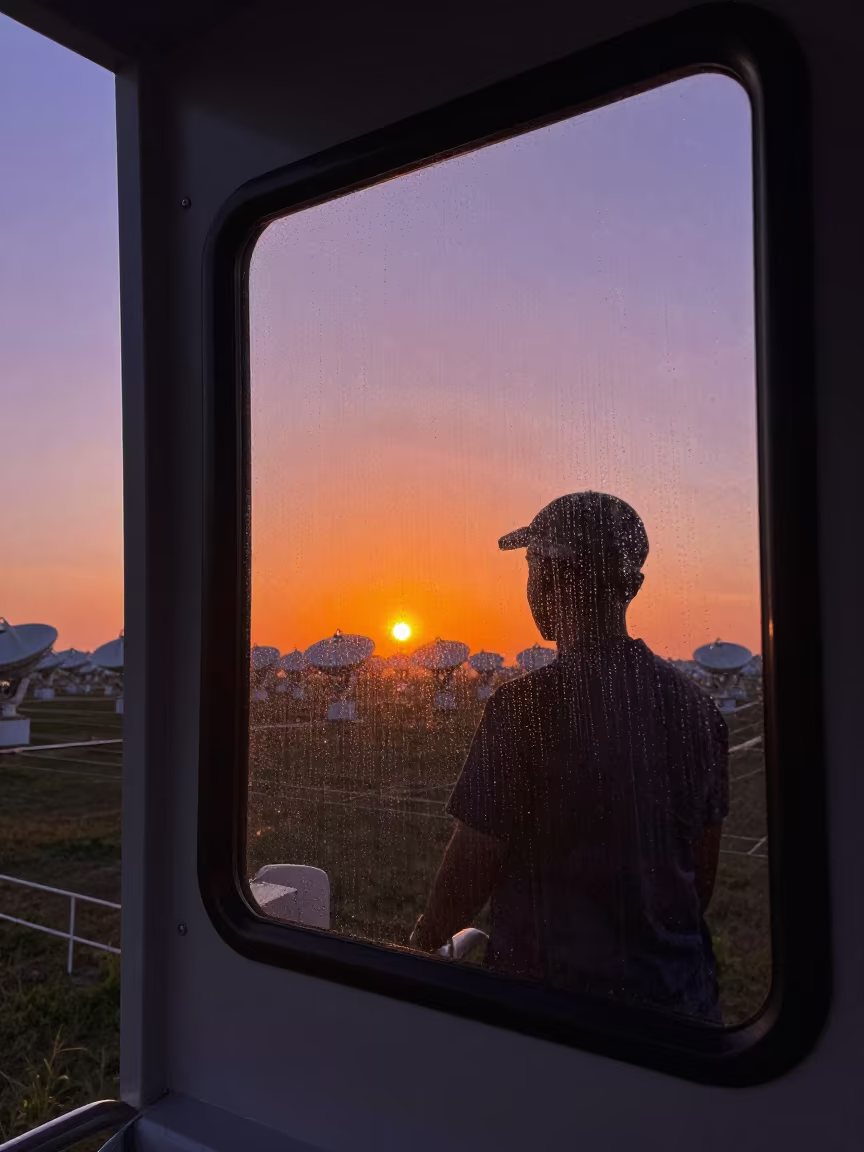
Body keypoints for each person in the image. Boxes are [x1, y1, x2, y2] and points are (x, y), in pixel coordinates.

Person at [410, 491, 729, 1020]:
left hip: (551, 1016)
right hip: (681, 1014)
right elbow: (702, 876)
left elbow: (472, 865)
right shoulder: (698, 707)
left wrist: (417, 946)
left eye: (531, 568)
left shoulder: (527, 706)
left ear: (550, 578)